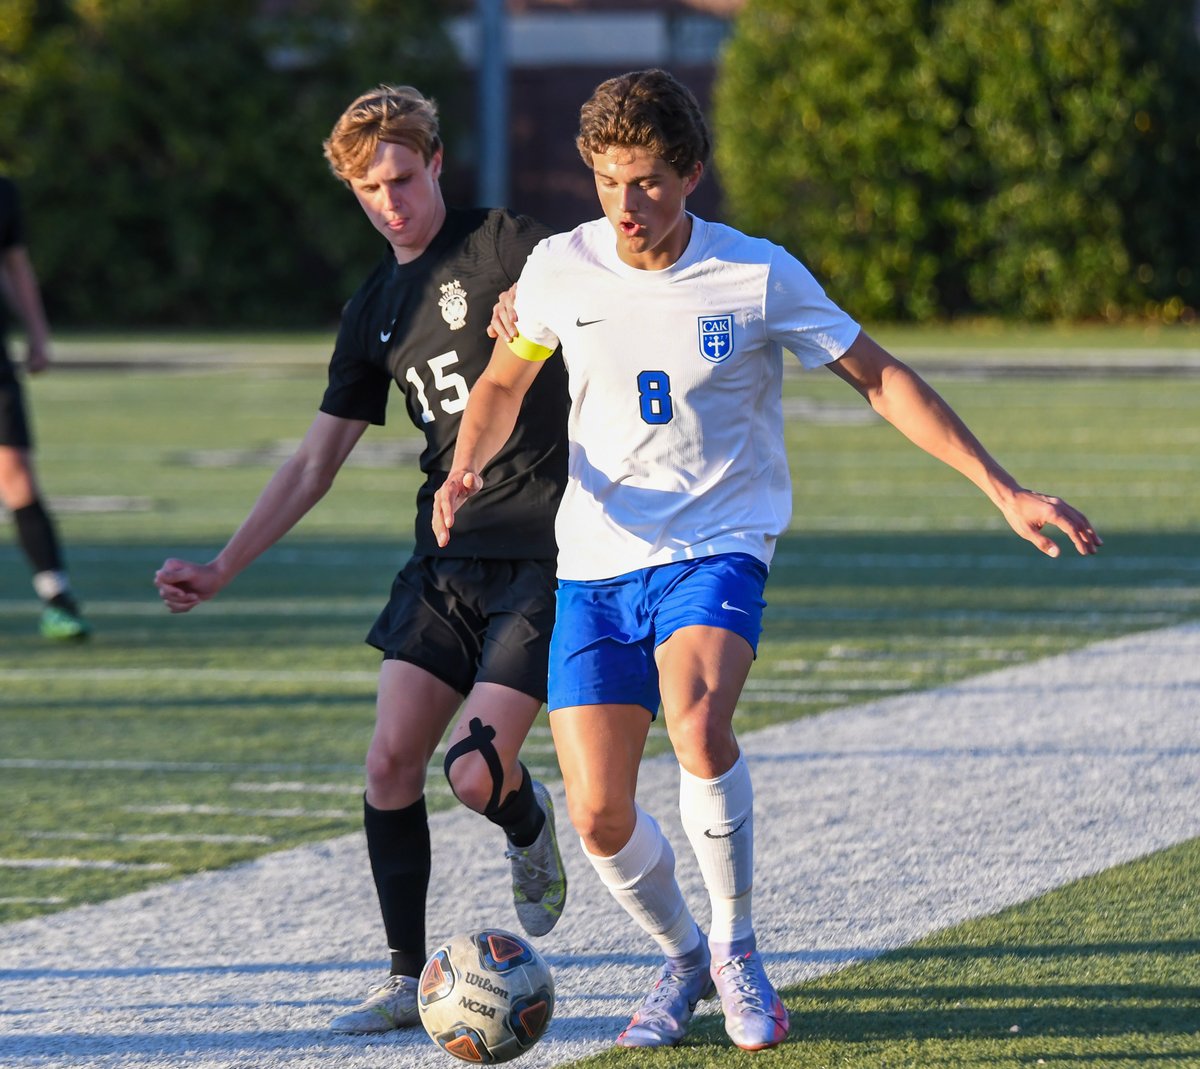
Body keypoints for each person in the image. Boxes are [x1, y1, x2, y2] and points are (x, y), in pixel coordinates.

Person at [432, 68, 1102, 1052]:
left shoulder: (757, 274)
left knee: (699, 725)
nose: (629, 203)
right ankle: (685, 955)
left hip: (718, 546)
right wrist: (463, 467)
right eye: (612, 179)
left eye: (651, 180)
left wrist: (1001, 487)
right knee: (598, 811)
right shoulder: (561, 269)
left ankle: (742, 950)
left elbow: (880, 377)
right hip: (597, 563)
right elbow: (498, 384)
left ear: (692, 172)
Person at [153, 85, 570, 1035]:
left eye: (402, 177)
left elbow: (594, 268)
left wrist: (538, 293)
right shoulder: (373, 307)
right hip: (445, 561)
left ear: (435, 166)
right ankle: (400, 974)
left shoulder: (504, 242)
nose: (390, 200)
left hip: (543, 554)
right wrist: (222, 566)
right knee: (389, 762)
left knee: (472, 775)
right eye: (368, 187)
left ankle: (524, 821)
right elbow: (313, 462)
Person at [0, 176, 90, 641]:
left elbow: (13, 264)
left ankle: (57, 596)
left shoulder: (4, 192)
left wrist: (36, 331)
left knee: (16, 472)